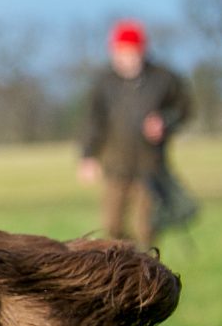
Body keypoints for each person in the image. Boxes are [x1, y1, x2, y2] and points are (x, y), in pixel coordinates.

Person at [78, 19, 193, 249]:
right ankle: (126, 273)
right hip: (115, 166)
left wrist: (164, 121)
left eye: (130, 52)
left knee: (145, 227)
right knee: (112, 226)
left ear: (142, 51)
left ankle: (148, 276)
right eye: (119, 52)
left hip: (149, 167)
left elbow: (184, 109)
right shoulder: (105, 83)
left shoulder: (163, 78)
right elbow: (94, 121)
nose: (124, 58)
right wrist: (88, 156)